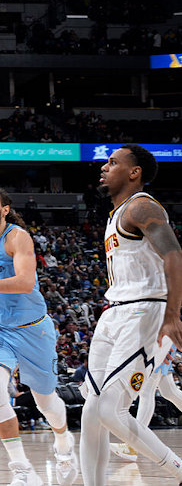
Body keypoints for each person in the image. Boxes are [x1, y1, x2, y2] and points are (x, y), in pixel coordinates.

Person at [80, 144, 182, 485]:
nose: (104, 167)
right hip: (115, 312)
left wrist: (172, 315)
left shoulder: (141, 206)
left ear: (134, 172)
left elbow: (175, 255)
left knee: (111, 409)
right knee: (92, 410)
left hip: (144, 309)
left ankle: (177, 470)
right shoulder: (116, 213)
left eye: (113, 162)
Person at [0, 187, 78, 485]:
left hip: (33, 329)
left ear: (5, 209)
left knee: (46, 403)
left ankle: (63, 442)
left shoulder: (17, 237)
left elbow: (25, 282)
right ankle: (23, 470)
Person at [111, 346, 182, 462]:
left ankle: (133, 446)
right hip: (161, 345)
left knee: (146, 392)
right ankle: (133, 445)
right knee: (169, 391)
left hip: (158, 347)